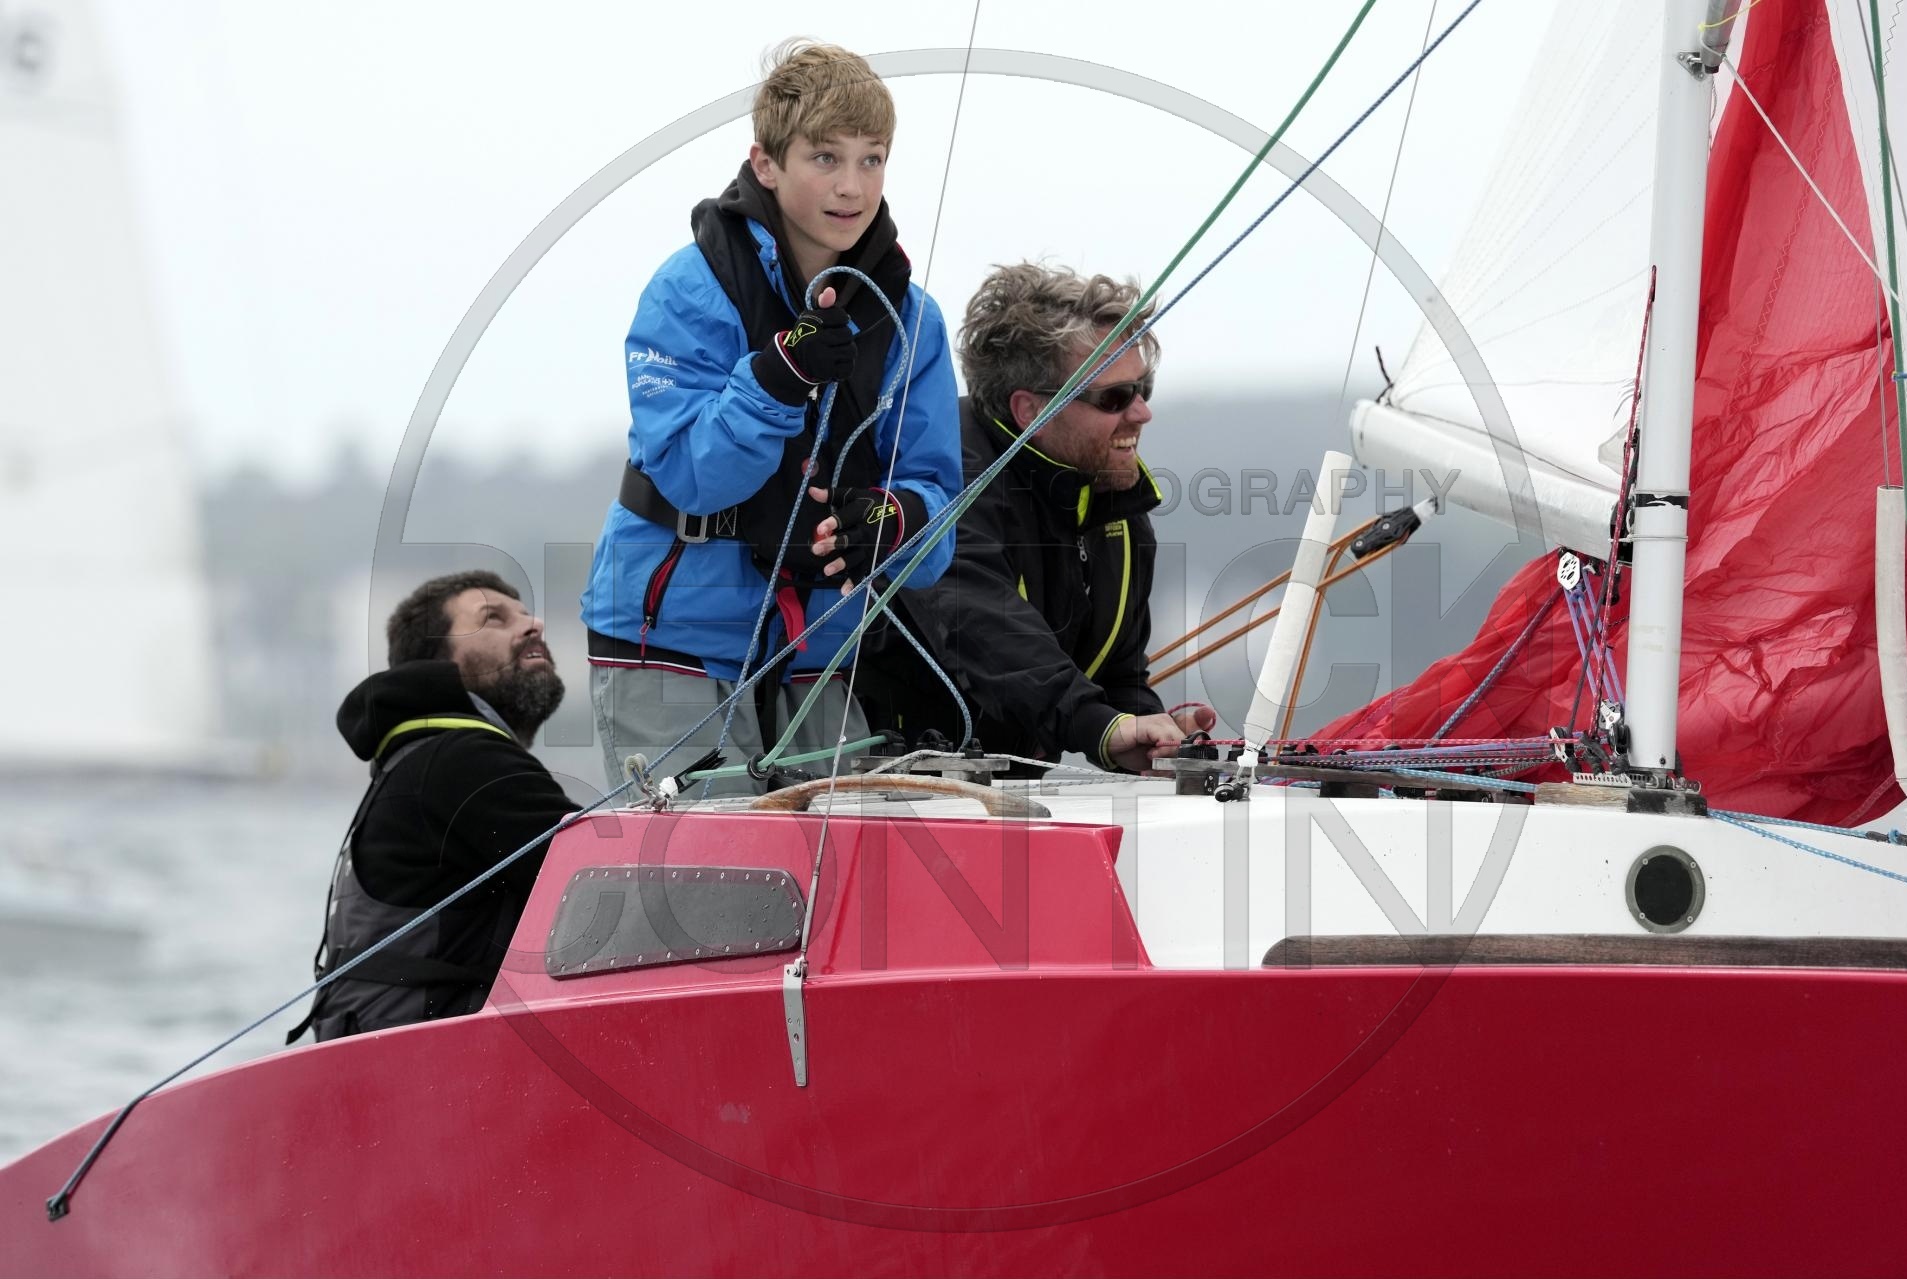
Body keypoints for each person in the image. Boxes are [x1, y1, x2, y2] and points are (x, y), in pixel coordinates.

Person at [581, 39, 962, 794]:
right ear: (766, 165)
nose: (852, 186)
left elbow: (938, 503)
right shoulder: (689, 289)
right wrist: (777, 376)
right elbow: (690, 475)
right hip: (674, 640)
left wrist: (895, 520)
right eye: (825, 157)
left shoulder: (913, 322)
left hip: (821, 648)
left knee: (835, 858)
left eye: (872, 159)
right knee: (709, 857)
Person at [859, 263, 1217, 772]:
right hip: (888, 787)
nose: (1141, 413)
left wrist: (1150, 730)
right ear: (1030, 410)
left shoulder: (1113, 500)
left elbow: (1118, 678)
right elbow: (987, 632)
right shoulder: (940, 482)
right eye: (1114, 397)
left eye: (1143, 388)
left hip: (1005, 790)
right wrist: (1099, 726)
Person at [290, 571, 574, 1042]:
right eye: (494, 618)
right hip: (435, 1061)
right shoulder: (460, 760)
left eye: (527, 614)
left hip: (382, 1056)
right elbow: (606, 875)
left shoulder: (417, 761)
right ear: (439, 663)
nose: (534, 624)